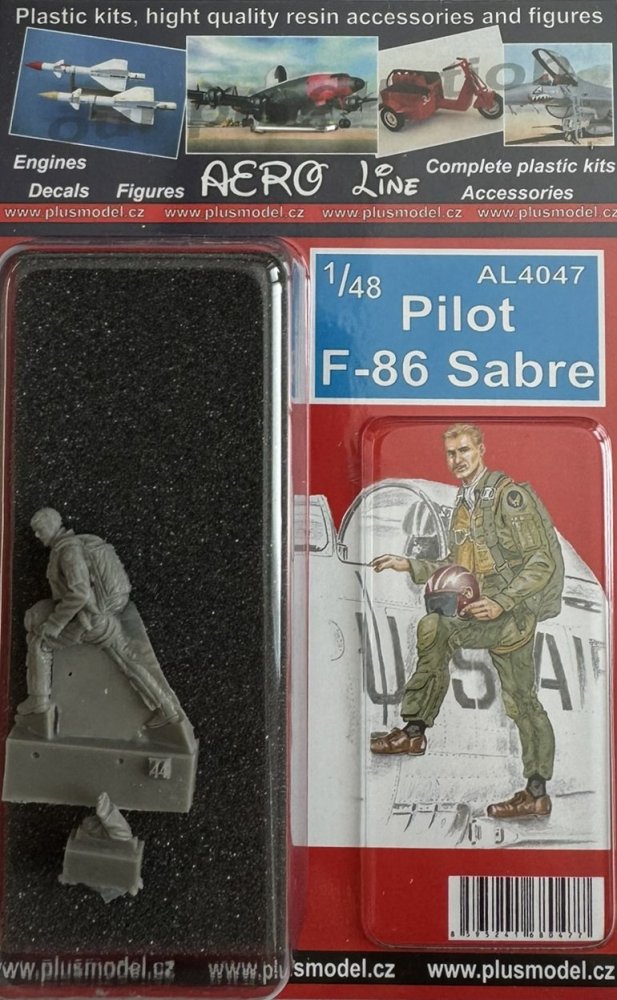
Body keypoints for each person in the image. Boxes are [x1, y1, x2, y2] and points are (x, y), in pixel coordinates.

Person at [370, 423, 560, 820]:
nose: (457, 459)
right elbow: (458, 566)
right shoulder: (463, 504)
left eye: (464, 450)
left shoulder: (508, 497)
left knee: (522, 701)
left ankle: (536, 792)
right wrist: (410, 565)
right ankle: (414, 731)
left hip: (512, 615)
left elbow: (540, 561)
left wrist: (502, 602)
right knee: (434, 626)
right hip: (477, 611)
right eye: (451, 453)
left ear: (481, 450)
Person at [17, 507, 183, 728]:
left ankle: (38, 701)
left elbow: (80, 593)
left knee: (39, 642)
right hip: (102, 618)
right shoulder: (71, 546)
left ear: (52, 525)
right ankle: (168, 708)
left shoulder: (68, 552)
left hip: (89, 622)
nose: (37, 535)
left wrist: (55, 623)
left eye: (40, 530)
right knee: (130, 662)